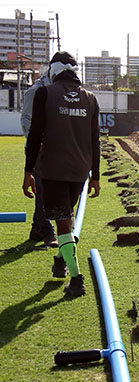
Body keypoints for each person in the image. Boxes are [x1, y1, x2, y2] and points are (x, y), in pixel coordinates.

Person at [23, 51, 100, 298]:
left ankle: (76, 279)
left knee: (64, 223)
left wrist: (28, 171)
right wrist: (95, 176)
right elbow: (95, 140)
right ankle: (60, 259)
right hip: (80, 171)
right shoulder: (91, 98)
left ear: (53, 70)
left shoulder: (45, 94)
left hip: (53, 169)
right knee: (66, 219)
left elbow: (35, 135)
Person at [20, 66, 57, 248]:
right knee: (44, 189)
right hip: (38, 149)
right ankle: (47, 228)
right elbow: (26, 119)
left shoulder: (56, 91)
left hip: (54, 148)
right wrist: (37, 141)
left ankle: (37, 227)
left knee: (47, 188)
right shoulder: (35, 91)